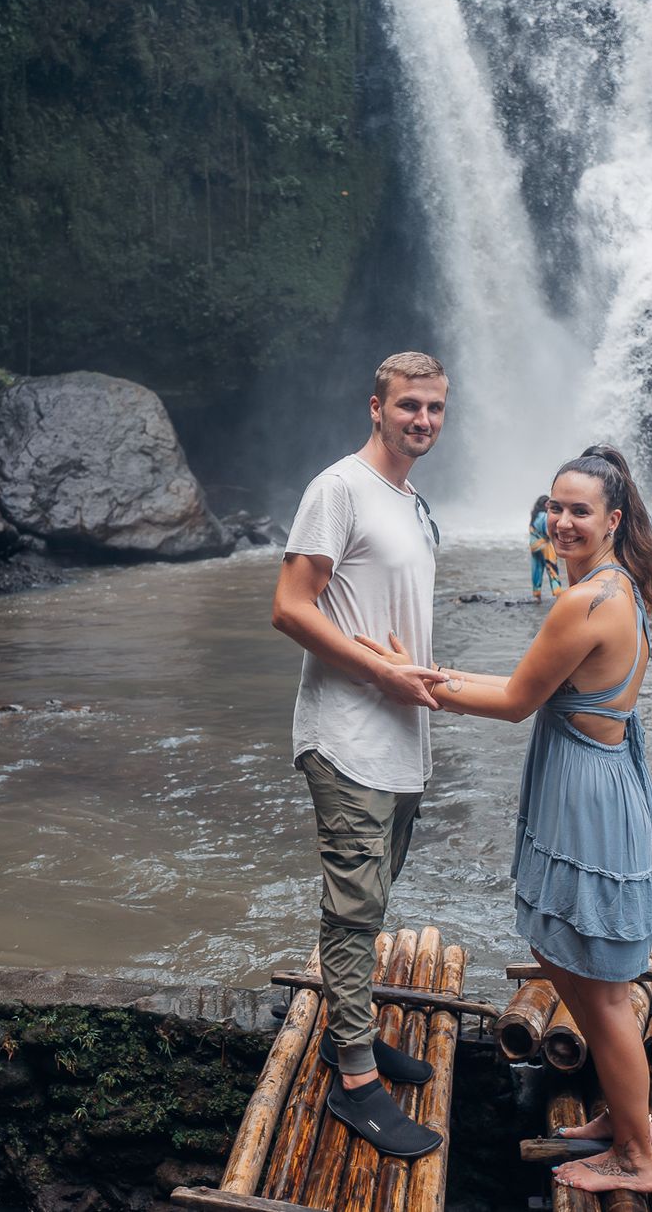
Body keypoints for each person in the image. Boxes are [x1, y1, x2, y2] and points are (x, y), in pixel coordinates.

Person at [355, 444, 652, 1194]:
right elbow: (526, 681)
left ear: (614, 518)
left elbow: (514, 698)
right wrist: (427, 673)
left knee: (601, 988)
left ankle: (637, 1157)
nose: (560, 520)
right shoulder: (611, 584)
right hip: (596, 780)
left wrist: (414, 685)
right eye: (554, 506)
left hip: (588, 798)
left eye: (579, 510)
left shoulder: (587, 600)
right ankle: (625, 1118)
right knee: (565, 958)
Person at [270, 351, 451, 1159]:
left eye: (436, 408)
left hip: (401, 741)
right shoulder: (337, 488)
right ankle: (353, 1080)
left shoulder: (414, 505)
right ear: (373, 406)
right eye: (409, 404)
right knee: (351, 909)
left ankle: (360, 1033)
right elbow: (288, 606)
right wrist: (379, 670)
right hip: (343, 737)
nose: (423, 419)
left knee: (370, 903)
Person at [529, 496, 562, 600]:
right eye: (549, 504)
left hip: (534, 547)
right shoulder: (544, 516)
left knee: (536, 570)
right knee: (552, 569)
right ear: (544, 504)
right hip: (545, 546)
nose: (550, 506)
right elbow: (548, 532)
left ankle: (537, 595)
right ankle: (558, 595)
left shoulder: (534, 516)